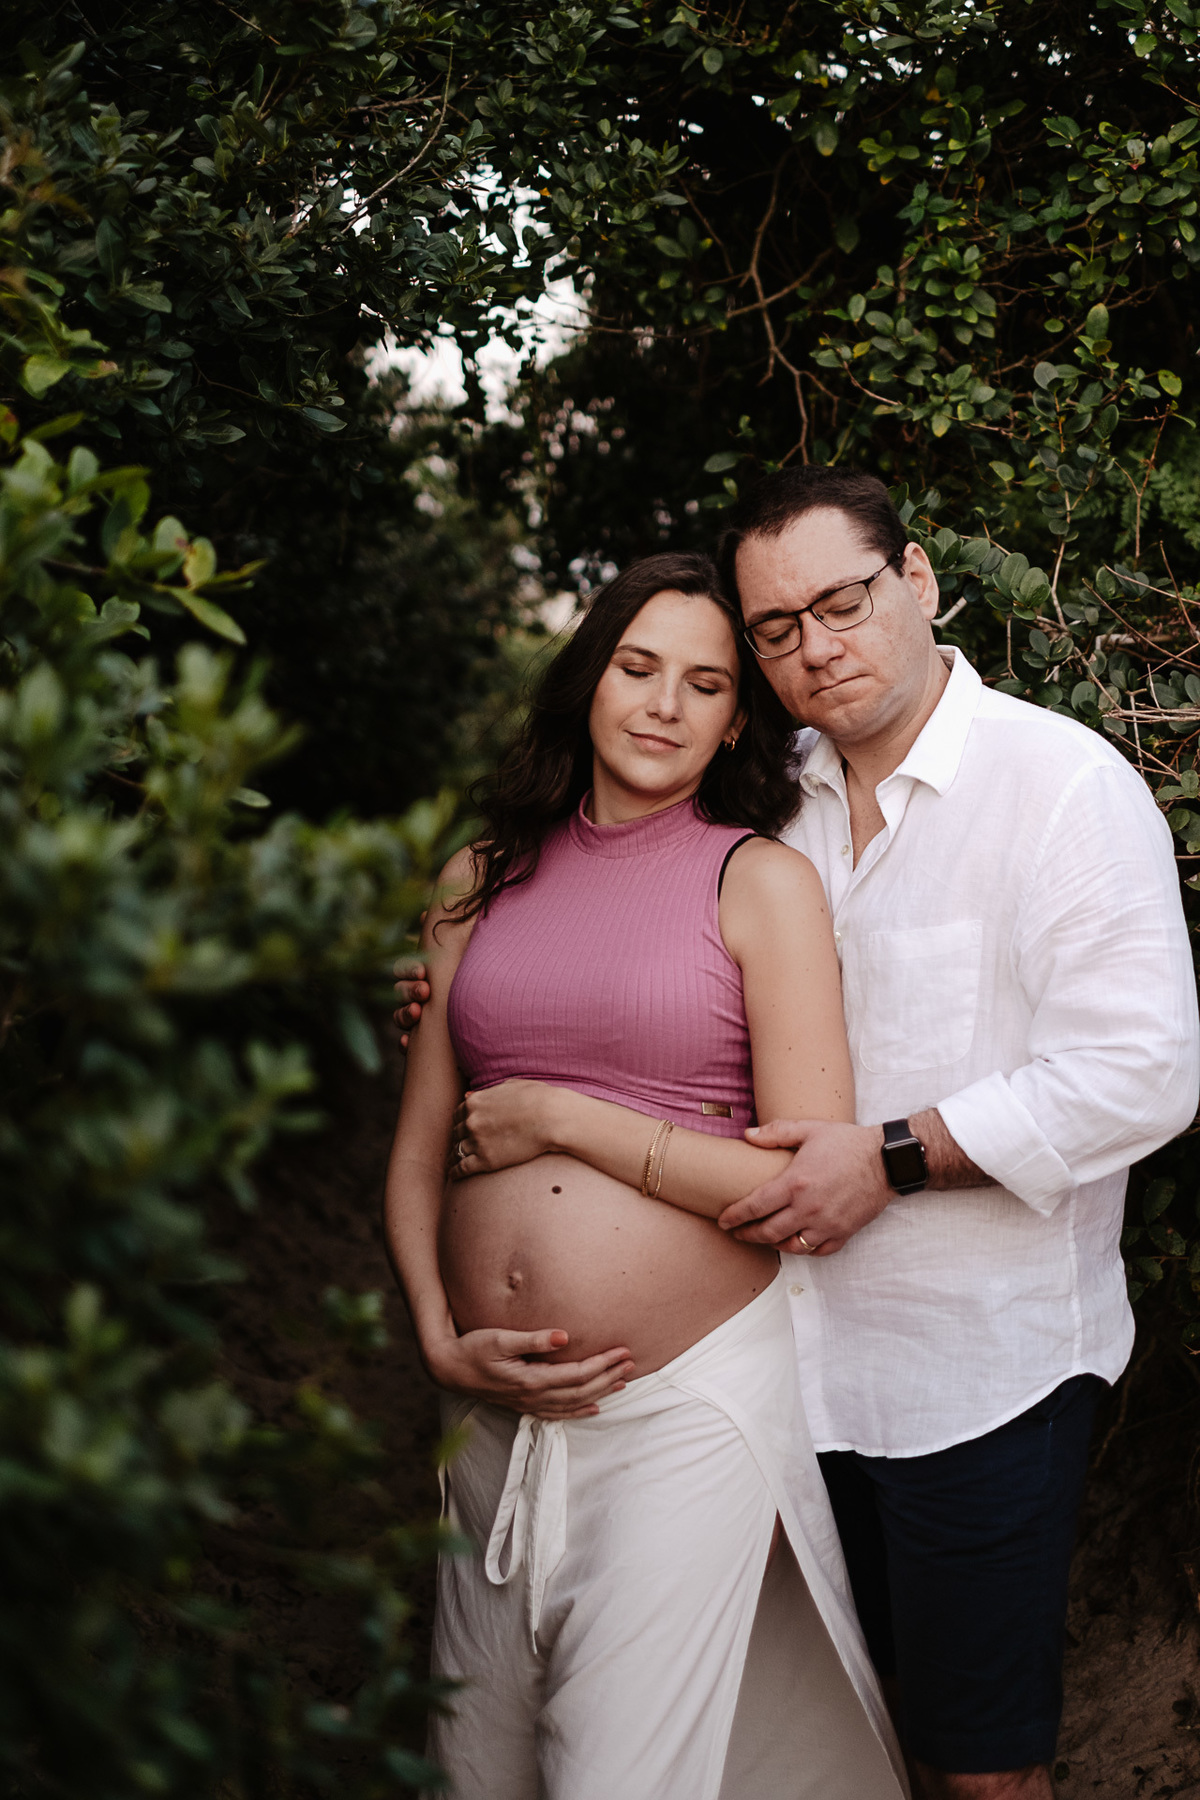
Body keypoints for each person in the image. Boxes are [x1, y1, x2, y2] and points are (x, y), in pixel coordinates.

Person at [397, 469, 1200, 1800]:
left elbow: (1146, 1071)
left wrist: (894, 1156)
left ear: (920, 582)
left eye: (845, 603)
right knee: (820, 1748)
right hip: (784, 1372)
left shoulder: (1058, 787)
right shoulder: (774, 801)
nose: (817, 646)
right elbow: (627, 965)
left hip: (970, 1381)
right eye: (778, 629)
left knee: (978, 1768)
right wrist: (444, 987)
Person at [383, 550, 907, 1800]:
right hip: (489, 1417)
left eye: (707, 683)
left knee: (619, 1776)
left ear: (740, 718)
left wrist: (568, 1121)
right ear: (589, 678)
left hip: (684, 1409)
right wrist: (437, 1340)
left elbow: (797, 1182)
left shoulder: (758, 883)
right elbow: (413, 1156)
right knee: (477, 1766)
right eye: (638, 668)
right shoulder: (476, 879)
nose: (665, 705)